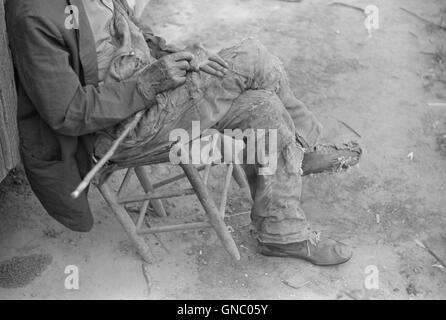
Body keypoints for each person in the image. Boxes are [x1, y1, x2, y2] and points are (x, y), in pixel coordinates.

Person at [6, 0, 361, 266]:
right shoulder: (34, 13)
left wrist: (184, 58)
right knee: (252, 56)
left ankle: (281, 234)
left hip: (152, 94)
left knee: (264, 107)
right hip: (118, 130)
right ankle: (302, 146)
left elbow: (135, 39)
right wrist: (147, 84)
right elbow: (67, 113)